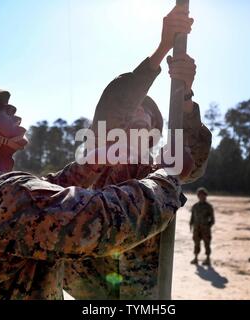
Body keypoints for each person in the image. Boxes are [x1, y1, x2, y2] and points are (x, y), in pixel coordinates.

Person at [0, 75, 195, 299]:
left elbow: (47, 193)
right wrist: (169, 175)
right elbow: (103, 219)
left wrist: (93, 161)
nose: (11, 108)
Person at [63, 4, 212, 299]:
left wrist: (185, 97)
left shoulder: (158, 171)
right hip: (92, 287)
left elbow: (193, 164)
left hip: (144, 289)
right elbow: (115, 105)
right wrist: (162, 49)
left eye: (146, 112)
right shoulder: (97, 157)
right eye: (133, 108)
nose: (137, 116)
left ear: (155, 128)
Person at [190, 187, 215, 266]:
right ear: (198, 196)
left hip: (205, 229)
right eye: (200, 195)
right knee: (196, 243)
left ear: (205, 196)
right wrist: (191, 224)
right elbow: (192, 217)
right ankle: (196, 258)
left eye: (203, 195)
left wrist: (208, 226)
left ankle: (207, 259)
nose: (201, 196)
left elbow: (212, 219)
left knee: (207, 243)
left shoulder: (209, 206)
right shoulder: (195, 206)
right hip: (196, 228)